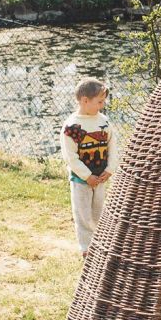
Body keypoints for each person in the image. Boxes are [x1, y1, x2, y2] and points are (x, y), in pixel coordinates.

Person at [60, 77, 118, 258]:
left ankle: (100, 242)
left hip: (101, 176)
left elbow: (112, 146)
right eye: (99, 101)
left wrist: (110, 169)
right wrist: (86, 176)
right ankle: (86, 247)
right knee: (83, 213)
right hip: (81, 180)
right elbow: (71, 156)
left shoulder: (104, 122)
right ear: (85, 101)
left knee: (99, 210)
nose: (102, 105)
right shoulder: (71, 126)